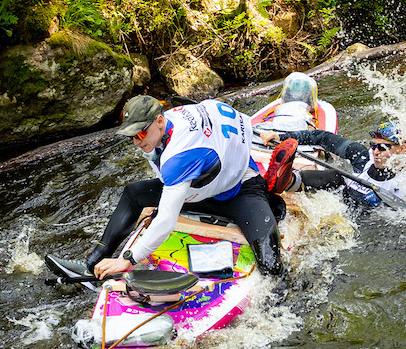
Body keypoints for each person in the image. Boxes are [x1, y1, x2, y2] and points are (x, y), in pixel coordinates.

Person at [85, 95, 286, 278]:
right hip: (202, 191)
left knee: (271, 265)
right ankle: (94, 263)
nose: (136, 142)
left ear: (160, 121)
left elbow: (166, 221)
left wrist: (128, 259)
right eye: (131, 136)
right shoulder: (174, 117)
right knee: (133, 193)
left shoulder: (179, 156)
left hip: (241, 190)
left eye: (140, 134)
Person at [259, 122, 406, 208]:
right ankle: (288, 181)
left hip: (362, 221)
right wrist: (282, 137)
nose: (376, 152)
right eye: (373, 145)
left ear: (402, 149)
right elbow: (322, 137)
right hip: (340, 199)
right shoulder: (362, 156)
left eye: (382, 148)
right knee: (337, 176)